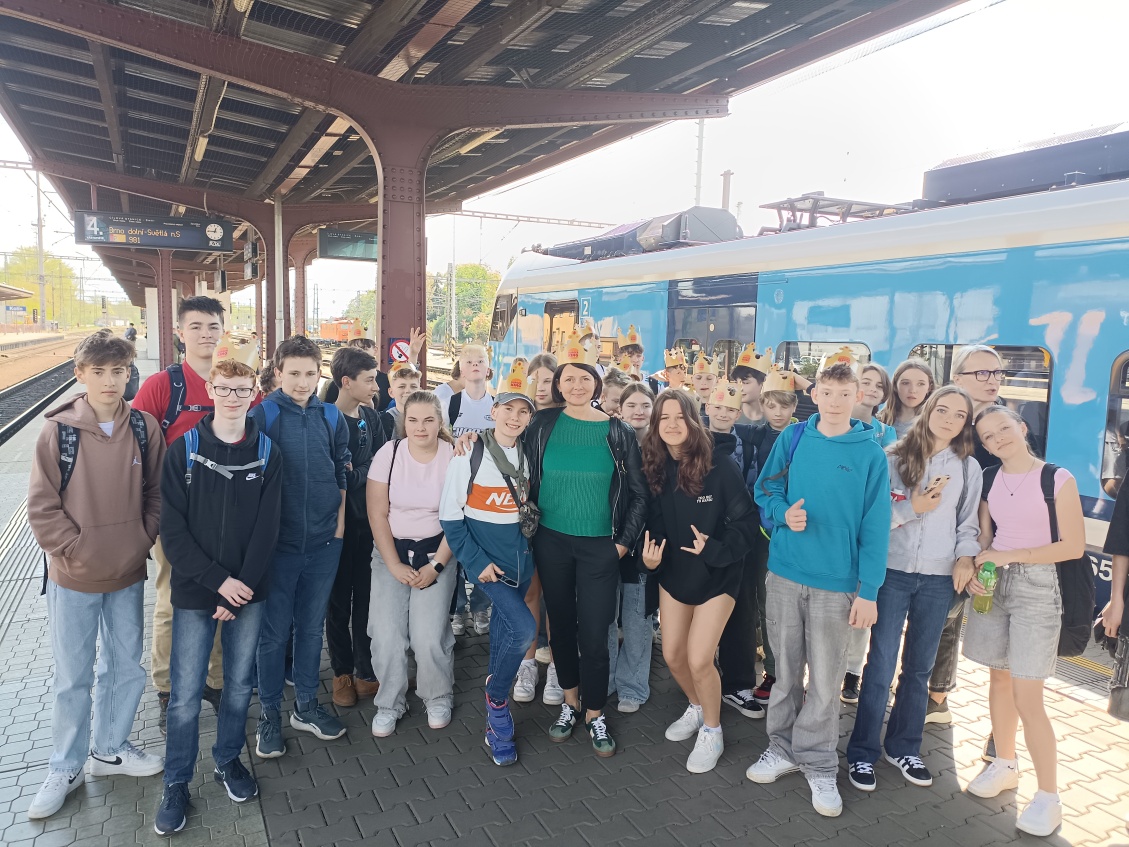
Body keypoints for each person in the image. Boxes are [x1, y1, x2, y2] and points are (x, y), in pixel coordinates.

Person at [27, 331, 166, 820]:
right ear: (80, 374)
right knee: (73, 676)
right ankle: (64, 766)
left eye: (119, 371)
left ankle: (110, 749)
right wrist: (74, 550)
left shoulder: (144, 427)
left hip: (127, 570)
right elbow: (42, 506)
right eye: (99, 371)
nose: (110, 380)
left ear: (129, 374)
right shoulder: (58, 432)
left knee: (125, 666)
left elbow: (156, 492)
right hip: (73, 576)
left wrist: (141, 539)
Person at [748, 362, 891, 818]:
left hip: (837, 585)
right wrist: (782, 513)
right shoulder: (793, 437)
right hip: (785, 574)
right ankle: (781, 748)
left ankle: (819, 763)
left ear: (857, 397)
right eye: (827, 392)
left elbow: (877, 526)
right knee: (786, 673)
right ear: (816, 394)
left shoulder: (871, 454)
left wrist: (869, 591)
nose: (834, 401)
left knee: (827, 682)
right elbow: (765, 488)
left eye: (844, 394)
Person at [154, 356, 283, 835]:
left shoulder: (267, 453)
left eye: (242, 390)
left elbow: (268, 529)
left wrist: (238, 589)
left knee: (238, 685)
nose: (233, 397)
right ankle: (176, 780)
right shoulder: (183, 451)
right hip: (195, 591)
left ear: (254, 394)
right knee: (185, 694)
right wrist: (217, 583)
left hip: (248, 590)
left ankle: (228, 759)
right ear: (210, 390)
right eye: (224, 389)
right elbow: (172, 532)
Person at [845, 386, 982, 794]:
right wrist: (912, 508)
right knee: (880, 664)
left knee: (919, 668)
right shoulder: (893, 458)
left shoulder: (968, 468)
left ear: (965, 424)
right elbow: (872, 520)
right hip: (892, 572)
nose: (949, 419)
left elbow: (968, 524)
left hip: (939, 579)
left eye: (959, 415)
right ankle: (862, 752)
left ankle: (903, 747)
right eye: (943, 410)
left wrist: (965, 557)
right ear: (928, 411)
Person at [959, 405, 1083, 837]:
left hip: (1039, 587)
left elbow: (1073, 546)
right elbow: (986, 536)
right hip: (996, 581)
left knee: (1028, 695)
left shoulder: (1057, 478)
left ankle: (1049, 796)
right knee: (999, 679)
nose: (998, 439)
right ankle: (1005, 764)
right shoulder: (989, 478)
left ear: (1022, 428)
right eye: (988, 437)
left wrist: (1010, 556)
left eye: (1003, 429)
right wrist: (978, 568)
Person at [525, 339, 648, 758]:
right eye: (569, 379)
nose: (576, 386)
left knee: (595, 634)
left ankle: (595, 713)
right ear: (558, 385)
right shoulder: (542, 424)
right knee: (560, 627)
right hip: (551, 541)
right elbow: (511, 458)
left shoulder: (618, 432)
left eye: (584, 379)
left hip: (601, 547)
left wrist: (622, 545)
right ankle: (570, 702)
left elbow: (638, 494)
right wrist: (469, 443)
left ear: (596, 384)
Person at [640, 390, 757, 773]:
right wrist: (650, 560)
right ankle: (696, 705)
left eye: (680, 416)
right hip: (676, 573)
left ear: (694, 421)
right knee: (673, 656)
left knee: (699, 657)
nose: (672, 424)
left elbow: (746, 525)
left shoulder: (720, 466)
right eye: (664, 418)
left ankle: (712, 729)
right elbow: (655, 527)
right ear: (656, 425)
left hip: (718, 573)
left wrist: (714, 549)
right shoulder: (655, 467)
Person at [250, 335, 351, 759]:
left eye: (310, 374)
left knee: (311, 629)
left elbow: (340, 471)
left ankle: (306, 707)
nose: (302, 382)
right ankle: (269, 714)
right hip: (279, 547)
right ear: (277, 373)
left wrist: (339, 529)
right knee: (273, 635)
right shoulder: (263, 415)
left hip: (325, 543)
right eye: (293, 373)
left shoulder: (331, 415)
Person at [130, 295, 227, 732]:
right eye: (196, 326)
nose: (206, 334)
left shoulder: (236, 379)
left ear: (223, 331)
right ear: (180, 333)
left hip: (226, 517)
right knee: (173, 601)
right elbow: (133, 447)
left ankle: (217, 681)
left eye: (213, 326)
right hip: (175, 516)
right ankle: (168, 688)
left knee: (223, 598)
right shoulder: (162, 386)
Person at [439, 388, 538, 765]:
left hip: (521, 563)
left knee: (503, 631)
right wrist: (476, 562)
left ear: (530, 419)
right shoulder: (469, 453)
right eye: (508, 409)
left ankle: (493, 706)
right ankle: (497, 702)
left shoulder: (530, 452)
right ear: (493, 411)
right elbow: (450, 518)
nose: (515, 417)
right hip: (488, 568)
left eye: (523, 412)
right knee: (524, 630)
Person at [367, 391, 458, 737]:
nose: (421, 427)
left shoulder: (454, 456)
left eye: (429, 420)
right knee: (386, 633)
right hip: (391, 552)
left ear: (440, 422)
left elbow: (459, 518)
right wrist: (393, 565)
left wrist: (437, 566)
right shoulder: (389, 454)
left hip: (437, 553)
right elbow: (377, 513)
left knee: (428, 635)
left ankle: (437, 695)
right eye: (413, 420)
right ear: (404, 422)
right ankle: (390, 702)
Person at [927, 344, 1008, 726]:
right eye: (982, 373)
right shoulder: (951, 424)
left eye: (997, 373)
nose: (992, 380)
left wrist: (983, 547)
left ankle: (941, 697)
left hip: (995, 544)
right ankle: (935, 696)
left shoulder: (1004, 424)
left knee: (987, 630)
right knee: (944, 617)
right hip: (950, 536)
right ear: (957, 378)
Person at [326, 346, 391, 708]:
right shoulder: (326, 419)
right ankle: (342, 673)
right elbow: (336, 475)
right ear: (346, 382)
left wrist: (358, 471)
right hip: (336, 527)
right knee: (338, 602)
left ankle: (366, 670)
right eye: (369, 380)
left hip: (369, 524)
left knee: (367, 599)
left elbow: (382, 465)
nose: (376, 386)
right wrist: (359, 473)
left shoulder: (372, 417)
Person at [703, 381, 764, 719]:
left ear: (739, 413)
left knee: (741, 610)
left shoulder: (750, 446)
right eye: (718, 407)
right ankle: (699, 679)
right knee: (698, 607)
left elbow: (754, 493)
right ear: (707, 406)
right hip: (698, 537)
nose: (723, 413)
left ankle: (738, 684)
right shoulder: (690, 441)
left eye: (730, 409)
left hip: (738, 540)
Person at [840, 361, 897, 703]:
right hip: (838, 523)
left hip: (867, 525)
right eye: (867, 382)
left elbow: (884, 483)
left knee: (862, 599)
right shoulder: (835, 423)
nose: (873, 389)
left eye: (879, 385)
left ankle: (852, 671)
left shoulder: (886, 434)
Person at [747, 366, 802, 708]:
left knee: (793, 607)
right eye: (771, 405)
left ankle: (792, 674)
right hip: (760, 532)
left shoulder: (804, 436)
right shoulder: (753, 436)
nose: (777, 412)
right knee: (764, 601)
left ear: (795, 405)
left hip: (795, 531)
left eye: (785, 405)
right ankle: (771, 669)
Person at [605, 382, 657, 713]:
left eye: (645, 405)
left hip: (644, 547)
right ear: (620, 410)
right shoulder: (608, 441)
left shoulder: (662, 447)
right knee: (605, 618)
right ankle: (606, 678)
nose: (639, 411)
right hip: (609, 542)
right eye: (632, 405)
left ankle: (633, 686)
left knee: (638, 619)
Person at [443, 344, 496, 634]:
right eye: (469, 361)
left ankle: (480, 606)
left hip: (486, 487)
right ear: (461, 369)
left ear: (488, 368)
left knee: (486, 547)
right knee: (457, 549)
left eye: (480, 361)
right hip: (457, 486)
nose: (475, 365)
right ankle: (458, 608)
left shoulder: (497, 405)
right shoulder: (451, 404)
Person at [879, 359, 935, 439]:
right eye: (905, 383)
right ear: (895, 386)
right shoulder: (879, 421)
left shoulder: (934, 424)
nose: (912, 390)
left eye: (920, 384)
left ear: (929, 388)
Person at [730, 343, 772, 425]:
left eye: (746, 383)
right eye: (737, 382)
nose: (740, 388)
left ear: (763, 383)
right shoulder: (730, 413)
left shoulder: (774, 417)